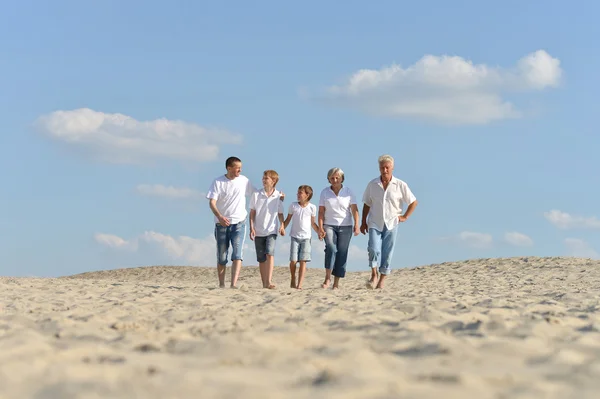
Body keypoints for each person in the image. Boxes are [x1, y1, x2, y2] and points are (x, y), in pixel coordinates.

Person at [360, 155, 418, 289]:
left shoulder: (400, 184)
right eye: (382, 168)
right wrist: (363, 222)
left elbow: (413, 202)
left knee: (387, 252)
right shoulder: (372, 184)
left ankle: (382, 279)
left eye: (387, 167)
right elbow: (367, 203)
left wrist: (405, 216)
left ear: (392, 168)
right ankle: (374, 274)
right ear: (379, 168)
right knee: (373, 248)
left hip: (392, 222)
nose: (384, 170)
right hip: (375, 221)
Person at [206, 156, 253, 289]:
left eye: (240, 167)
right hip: (221, 224)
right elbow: (212, 202)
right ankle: (221, 284)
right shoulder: (218, 182)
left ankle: (233, 284)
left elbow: (257, 194)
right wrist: (220, 217)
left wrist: (278, 195)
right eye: (237, 168)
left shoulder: (244, 180)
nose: (240, 170)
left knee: (237, 253)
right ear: (229, 168)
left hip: (239, 222)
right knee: (222, 256)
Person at [317, 167, 360, 289]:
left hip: (345, 226)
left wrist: (357, 224)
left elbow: (354, 210)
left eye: (337, 177)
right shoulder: (324, 192)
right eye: (332, 178)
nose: (335, 180)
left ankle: (336, 283)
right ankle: (327, 278)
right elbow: (321, 212)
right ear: (329, 179)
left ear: (342, 178)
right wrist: (320, 228)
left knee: (342, 253)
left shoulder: (348, 192)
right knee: (331, 247)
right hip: (329, 224)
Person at [249, 170, 285, 289]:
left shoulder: (278, 196)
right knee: (261, 258)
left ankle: (269, 281)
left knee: (270, 253)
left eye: (266, 178)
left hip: (272, 230)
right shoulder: (256, 194)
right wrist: (251, 227)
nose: (264, 180)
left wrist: (282, 225)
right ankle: (264, 283)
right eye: (263, 178)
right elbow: (252, 212)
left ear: (273, 181)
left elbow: (280, 213)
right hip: (259, 230)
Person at [282, 185, 320, 290]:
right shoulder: (293, 206)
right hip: (294, 236)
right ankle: (293, 278)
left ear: (307, 195)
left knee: (303, 261)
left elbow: (313, 223)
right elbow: (288, 219)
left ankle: (300, 285)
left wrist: (319, 232)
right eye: (298, 192)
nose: (298, 195)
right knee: (293, 261)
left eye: (300, 193)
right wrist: (282, 228)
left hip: (306, 238)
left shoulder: (312, 207)